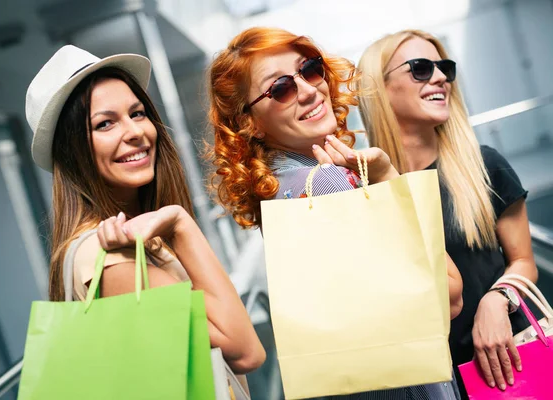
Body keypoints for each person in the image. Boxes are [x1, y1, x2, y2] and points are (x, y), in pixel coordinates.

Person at [207, 26, 463, 399]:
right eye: (280, 88)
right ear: (251, 123)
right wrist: (387, 179)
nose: (310, 89)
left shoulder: (280, 189)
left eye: (310, 69)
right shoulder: (325, 184)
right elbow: (450, 297)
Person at [25, 45, 266, 374]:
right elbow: (246, 354)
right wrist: (181, 224)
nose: (136, 132)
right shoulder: (110, 257)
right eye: (105, 124)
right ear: (72, 152)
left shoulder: (130, 239)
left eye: (137, 113)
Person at [357, 29, 538, 398]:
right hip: (428, 381)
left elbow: (523, 261)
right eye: (420, 68)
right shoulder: (364, 190)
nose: (440, 76)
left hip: (507, 364)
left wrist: (496, 299)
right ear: (380, 88)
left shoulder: (484, 165)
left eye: (445, 68)